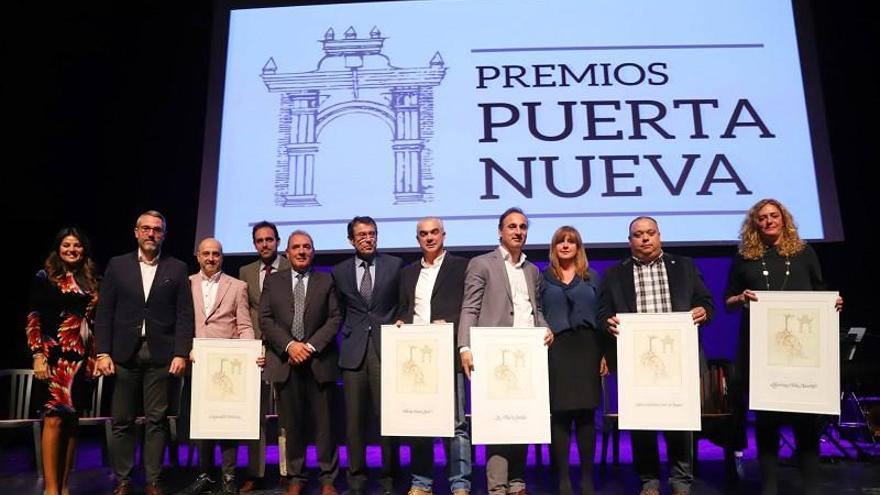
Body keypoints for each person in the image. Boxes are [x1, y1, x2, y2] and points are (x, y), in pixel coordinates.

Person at [724, 198, 843, 495]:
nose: (768, 221)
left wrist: (834, 303)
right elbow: (727, 301)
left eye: (773, 216)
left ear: (783, 219)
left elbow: (821, 292)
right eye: (761, 218)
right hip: (760, 350)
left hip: (800, 351)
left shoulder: (804, 252)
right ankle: (770, 487)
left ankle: (812, 486)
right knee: (766, 420)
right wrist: (741, 299)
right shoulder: (744, 257)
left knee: (806, 419)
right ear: (754, 223)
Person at [598, 216, 713, 495]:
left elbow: (706, 302)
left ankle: (680, 479)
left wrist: (703, 311)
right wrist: (607, 322)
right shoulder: (615, 274)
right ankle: (648, 479)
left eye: (650, 233)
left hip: (678, 359)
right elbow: (602, 313)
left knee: (679, 419)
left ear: (659, 236)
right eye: (638, 235)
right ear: (630, 241)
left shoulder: (684, 266)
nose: (645, 239)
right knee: (642, 420)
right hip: (636, 361)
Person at [94, 210, 194, 495]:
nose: (152, 234)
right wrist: (102, 352)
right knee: (123, 420)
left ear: (164, 234)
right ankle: (124, 480)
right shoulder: (117, 265)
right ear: (136, 231)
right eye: (146, 229)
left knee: (156, 421)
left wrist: (181, 353)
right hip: (123, 354)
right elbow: (105, 312)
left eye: (157, 230)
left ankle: (153, 480)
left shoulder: (176, 267)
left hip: (162, 356)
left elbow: (184, 314)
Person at [458, 207, 553, 495]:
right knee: (497, 424)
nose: (518, 231)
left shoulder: (533, 270)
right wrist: (465, 347)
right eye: (512, 226)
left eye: (523, 227)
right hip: (494, 355)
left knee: (523, 419)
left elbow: (535, 309)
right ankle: (497, 488)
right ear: (500, 231)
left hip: (526, 357)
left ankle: (518, 483)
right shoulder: (481, 263)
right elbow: (470, 306)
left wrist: (546, 328)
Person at [394, 217, 471, 495]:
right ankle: (421, 483)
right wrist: (401, 322)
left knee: (456, 424)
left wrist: (448, 324)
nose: (429, 238)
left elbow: (469, 307)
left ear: (444, 235)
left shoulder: (462, 266)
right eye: (423, 234)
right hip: (418, 359)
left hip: (448, 352)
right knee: (419, 421)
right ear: (418, 239)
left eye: (434, 232)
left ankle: (460, 483)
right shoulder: (408, 272)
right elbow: (405, 309)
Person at [261, 230, 342, 495]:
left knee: (325, 426)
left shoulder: (326, 280)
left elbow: (334, 318)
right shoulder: (273, 282)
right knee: (291, 424)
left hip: (318, 361)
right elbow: (266, 319)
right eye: (296, 247)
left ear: (313, 251)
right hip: (286, 362)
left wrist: (308, 346)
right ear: (287, 252)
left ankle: (328, 478)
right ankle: (296, 476)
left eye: (307, 246)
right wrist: (289, 346)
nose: (302, 251)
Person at [179, 238, 259, 495]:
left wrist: (248, 356)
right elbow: (181, 323)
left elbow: (245, 326)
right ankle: (204, 475)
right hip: (197, 363)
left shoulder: (237, 286)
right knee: (201, 422)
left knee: (228, 423)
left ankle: (228, 476)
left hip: (227, 367)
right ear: (197, 256)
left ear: (222, 257)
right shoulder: (186, 284)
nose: (211, 258)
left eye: (216, 254)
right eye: (206, 254)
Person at [331, 216, 403, 495]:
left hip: (385, 349)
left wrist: (400, 321)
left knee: (387, 418)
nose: (367, 238)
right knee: (354, 421)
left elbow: (403, 303)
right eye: (361, 235)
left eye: (372, 233)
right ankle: (357, 480)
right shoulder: (339, 271)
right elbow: (337, 310)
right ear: (351, 239)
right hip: (353, 351)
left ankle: (388, 479)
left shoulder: (394, 265)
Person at [26, 227, 99, 495]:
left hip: (80, 358)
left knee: (72, 422)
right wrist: (37, 355)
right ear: (58, 248)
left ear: (84, 249)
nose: (72, 250)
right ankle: (51, 489)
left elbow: (93, 321)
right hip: (53, 357)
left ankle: (66, 486)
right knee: (54, 419)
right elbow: (34, 317)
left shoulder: (91, 279)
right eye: (67, 245)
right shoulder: (44, 277)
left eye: (77, 245)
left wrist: (95, 358)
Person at [540, 226, 608, 495]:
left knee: (586, 415)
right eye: (561, 242)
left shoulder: (592, 277)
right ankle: (564, 480)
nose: (566, 246)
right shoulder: (543, 278)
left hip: (588, 348)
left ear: (579, 247)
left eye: (571, 242)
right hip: (557, 349)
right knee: (559, 414)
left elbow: (603, 316)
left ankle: (587, 479)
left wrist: (606, 352)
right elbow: (537, 311)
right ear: (554, 247)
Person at [238, 221, 292, 492]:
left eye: (269, 239)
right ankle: (255, 472)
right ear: (254, 244)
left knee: (286, 413)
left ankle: (287, 470)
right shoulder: (245, 271)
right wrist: (249, 345)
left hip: (285, 348)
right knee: (254, 414)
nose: (265, 244)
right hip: (256, 350)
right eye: (259, 240)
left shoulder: (291, 265)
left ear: (278, 241)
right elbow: (244, 311)